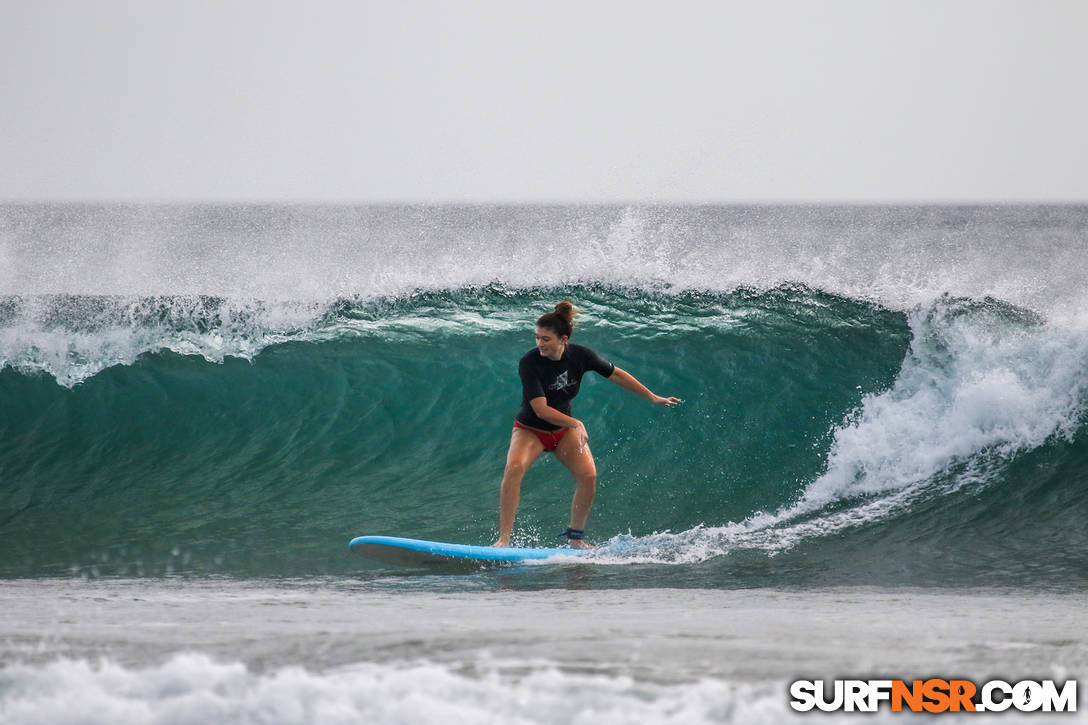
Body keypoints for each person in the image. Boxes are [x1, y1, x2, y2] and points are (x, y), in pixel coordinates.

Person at [492, 300, 681, 549]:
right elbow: (540, 409)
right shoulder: (530, 362)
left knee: (588, 476)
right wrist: (576, 423)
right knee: (514, 468)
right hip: (531, 430)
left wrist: (652, 397)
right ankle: (504, 539)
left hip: (562, 432)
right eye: (537, 337)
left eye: (546, 339)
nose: (539, 344)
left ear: (563, 339)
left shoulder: (580, 356)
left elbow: (616, 374)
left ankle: (576, 538)